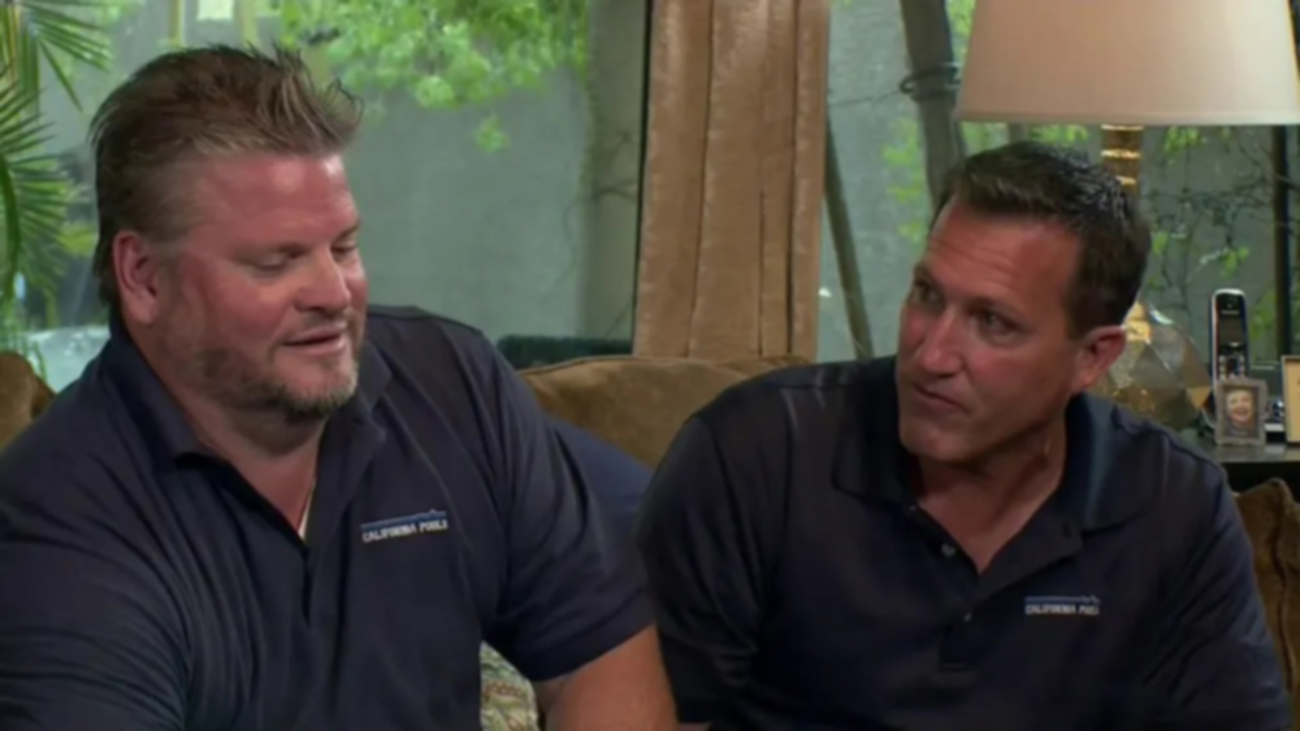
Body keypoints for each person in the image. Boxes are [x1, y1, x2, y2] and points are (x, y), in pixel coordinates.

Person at [0, 45, 675, 730]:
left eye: (344, 248)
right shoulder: (54, 528)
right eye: (277, 262)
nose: (333, 293)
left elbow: (600, 655)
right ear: (144, 277)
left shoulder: (453, 384)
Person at [636, 141, 1290, 730]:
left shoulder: (1174, 503)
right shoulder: (754, 455)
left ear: (1092, 357)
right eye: (927, 295)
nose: (932, 354)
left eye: (992, 322)